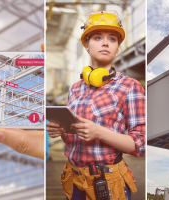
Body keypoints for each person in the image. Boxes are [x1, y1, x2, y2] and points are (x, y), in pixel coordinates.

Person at [46, 10, 145, 200]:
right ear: (86, 45)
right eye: (98, 37)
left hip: (108, 184)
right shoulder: (75, 89)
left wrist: (99, 132)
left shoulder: (130, 87)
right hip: (73, 180)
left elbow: (140, 146)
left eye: (112, 39)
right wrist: (61, 131)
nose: (105, 43)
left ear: (117, 48)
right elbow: (72, 139)